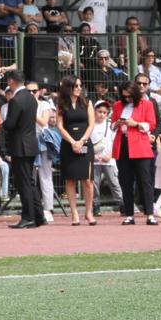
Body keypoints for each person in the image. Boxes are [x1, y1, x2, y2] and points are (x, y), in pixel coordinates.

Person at [0, 70, 44, 228]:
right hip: (30, 144)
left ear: (11, 81)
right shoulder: (31, 98)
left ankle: (28, 217)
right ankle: (38, 215)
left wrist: (1, 124)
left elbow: (11, 124)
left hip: (20, 146)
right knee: (30, 182)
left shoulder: (16, 100)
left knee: (23, 183)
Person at [111, 79, 159, 226]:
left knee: (145, 181)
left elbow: (151, 124)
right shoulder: (118, 105)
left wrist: (136, 124)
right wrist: (117, 123)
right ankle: (129, 214)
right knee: (125, 181)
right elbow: (112, 125)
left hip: (139, 144)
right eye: (124, 96)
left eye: (130, 96)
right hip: (123, 144)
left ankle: (150, 214)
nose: (127, 99)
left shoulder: (147, 104)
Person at [55, 77, 96, 226]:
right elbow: (60, 126)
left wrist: (82, 141)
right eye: (75, 86)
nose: (79, 88)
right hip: (68, 144)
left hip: (84, 142)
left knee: (87, 180)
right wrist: (72, 142)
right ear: (68, 87)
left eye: (80, 85)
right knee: (70, 180)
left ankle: (89, 212)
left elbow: (91, 124)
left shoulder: (87, 103)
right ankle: (74, 213)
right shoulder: (61, 105)